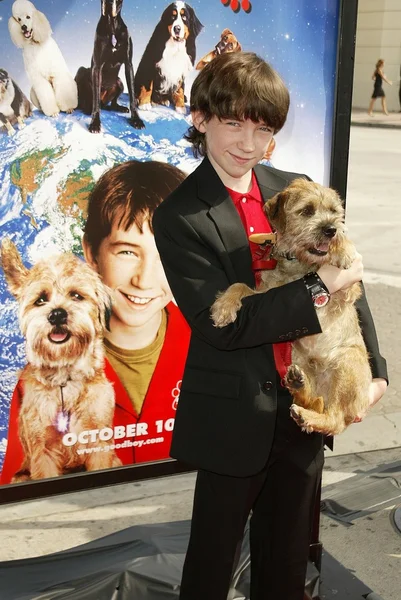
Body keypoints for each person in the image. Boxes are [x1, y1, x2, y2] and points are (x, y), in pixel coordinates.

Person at [152, 52, 388, 600]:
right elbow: (226, 327)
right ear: (200, 118)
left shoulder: (294, 188)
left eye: (263, 129)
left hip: (304, 415)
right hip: (234, 414)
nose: (249, 144)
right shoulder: (181, 216)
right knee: (210, 565)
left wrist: (374, 373)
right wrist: (322, 283)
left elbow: (351, 285)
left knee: (286, 565)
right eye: (233, 123)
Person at [0, 160, 191, 484]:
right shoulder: (39, 377)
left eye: (166, 254)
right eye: (127, 252)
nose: (144, 279)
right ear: (91, 252)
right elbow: (24, 484)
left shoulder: (208, 343)